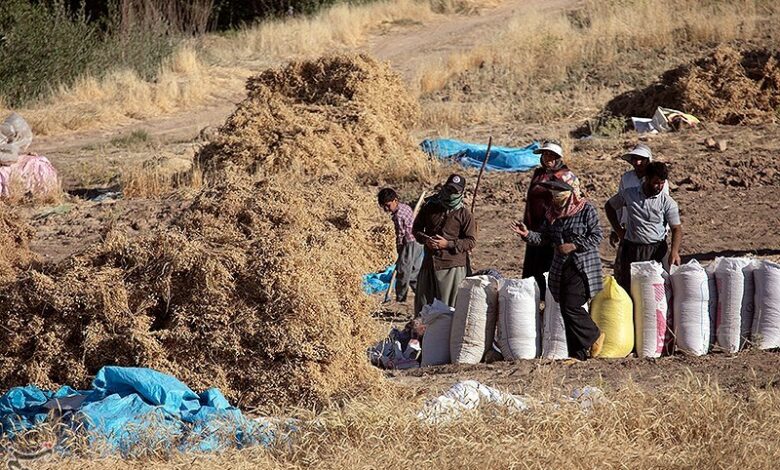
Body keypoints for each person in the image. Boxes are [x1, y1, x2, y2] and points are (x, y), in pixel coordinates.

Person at [512, 172, 605, 361]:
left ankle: (594, 335)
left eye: (560, 193)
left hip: (581, 267)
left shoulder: (586, 210)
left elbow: (596, 236)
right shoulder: (552, 214)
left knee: (572, 306)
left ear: (571, 193)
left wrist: (574, 245)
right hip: (561, 267)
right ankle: (577, 354)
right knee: (563, 309)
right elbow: (544, 238)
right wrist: (527, 234)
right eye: (553, 194)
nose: (556, 198)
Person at [605, 161, 683, 293]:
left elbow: (676, 228)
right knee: (630, 288)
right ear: (647, 178)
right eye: (656, 182)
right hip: (632, 250)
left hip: (656, 250)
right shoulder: (629, 194)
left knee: (659, 290)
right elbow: (610, 206)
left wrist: (674, 252)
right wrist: (618, 230)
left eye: (662, 183)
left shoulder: (667, 202)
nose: (659, 186)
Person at [413, 174, 476, 315]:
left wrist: (447, 244)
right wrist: (426, 240)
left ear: (461, 193)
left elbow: (470, 241)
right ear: (444, 188)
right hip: (429, 263)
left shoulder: (464, 214)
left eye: (455, 191)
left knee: (447, 311)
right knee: (424, 308)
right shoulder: (430, 208)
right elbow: (416, 229)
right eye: (449, 190)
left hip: (452, 267)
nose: (451, 194)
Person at [610, 144, 669, 281]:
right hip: (629, 230)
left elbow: (663, 206)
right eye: (635, 159)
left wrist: (663, 231)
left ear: (648, 160)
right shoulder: (627, 178)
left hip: (652, 233)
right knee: (627, 273)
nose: (638, 163)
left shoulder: (659, 180)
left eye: (641, 159)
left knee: (654, 273)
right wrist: (616, 228)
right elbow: (618, 205)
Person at [522, 140, 570, 298]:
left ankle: (548, 298)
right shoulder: (538, 174)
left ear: (558, 158)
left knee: (549, 264)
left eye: (552, 155)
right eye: (545, 154)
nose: (548, 158)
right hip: (534, 226)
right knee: (533, 264)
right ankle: (534, 297)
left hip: (553, 227)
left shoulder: (565, 176)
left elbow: (569, 202)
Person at [378, 187, 423, 303]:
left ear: (395, 200)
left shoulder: (398, 216)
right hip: (418, 242)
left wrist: (399, 248)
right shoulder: (406, 207)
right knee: (414, 272)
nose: (386, 209)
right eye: (384, 207)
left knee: (403, 270)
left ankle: (400, 298)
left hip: (409, 243)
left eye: (388, 205)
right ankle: (423, 297)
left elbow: (400, 234)